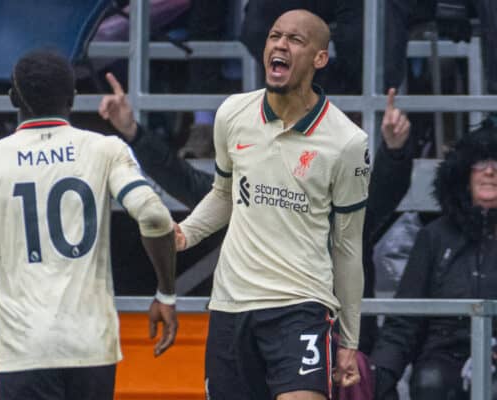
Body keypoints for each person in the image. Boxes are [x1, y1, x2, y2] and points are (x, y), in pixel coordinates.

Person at [0, 50, 178, 400]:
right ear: (73, 97)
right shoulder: (105, 149)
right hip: (91, 349)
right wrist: (166, 292)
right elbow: (155, 217)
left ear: (13, 98)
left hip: (25, 353)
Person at [100, 78, 413, 360]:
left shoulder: (343, 205)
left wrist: (395, 151)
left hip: (331, 345)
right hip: (261, 338)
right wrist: (134, 133)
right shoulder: (251, 193)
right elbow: (185, 179)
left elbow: (382, 196)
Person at [181, 9, 367, 399]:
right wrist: (185, 234)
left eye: (295, 40)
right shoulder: (232, 113)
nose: (280, 45)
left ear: (319, 59)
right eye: (274, 36)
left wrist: (349, 339)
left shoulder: (348, 142)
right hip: (231, 305)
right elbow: (223, 193)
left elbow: (348, 247)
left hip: (301, 305)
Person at [371, 120, 497, 400]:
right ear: (464, 173)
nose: (490, 171)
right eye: (481, 162)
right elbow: (404, 320)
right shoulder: (435, 237)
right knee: (432, 381)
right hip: (441, 359)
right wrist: (380, 373)